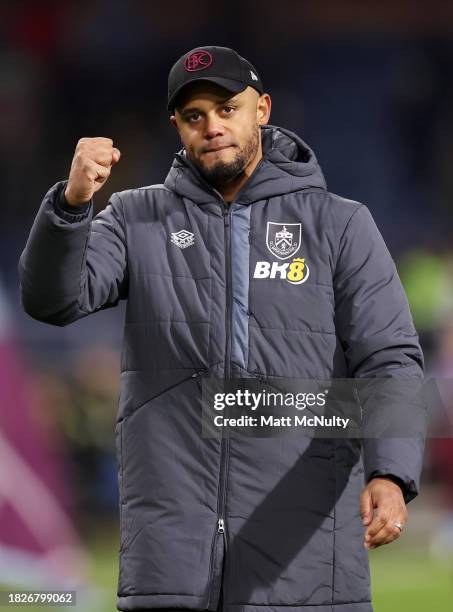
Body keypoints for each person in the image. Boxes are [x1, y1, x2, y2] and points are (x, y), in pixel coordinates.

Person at [19, 46, 425, 612]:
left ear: (261, 109)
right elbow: (52, 301)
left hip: (305, 559)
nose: (212, 127)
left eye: (226, 109)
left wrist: (391, 473)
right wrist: (71, 206)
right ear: (177, 128)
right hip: (172, 559)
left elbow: (390, 360)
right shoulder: (136, 218)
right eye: (194, 116)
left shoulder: (340, 225)